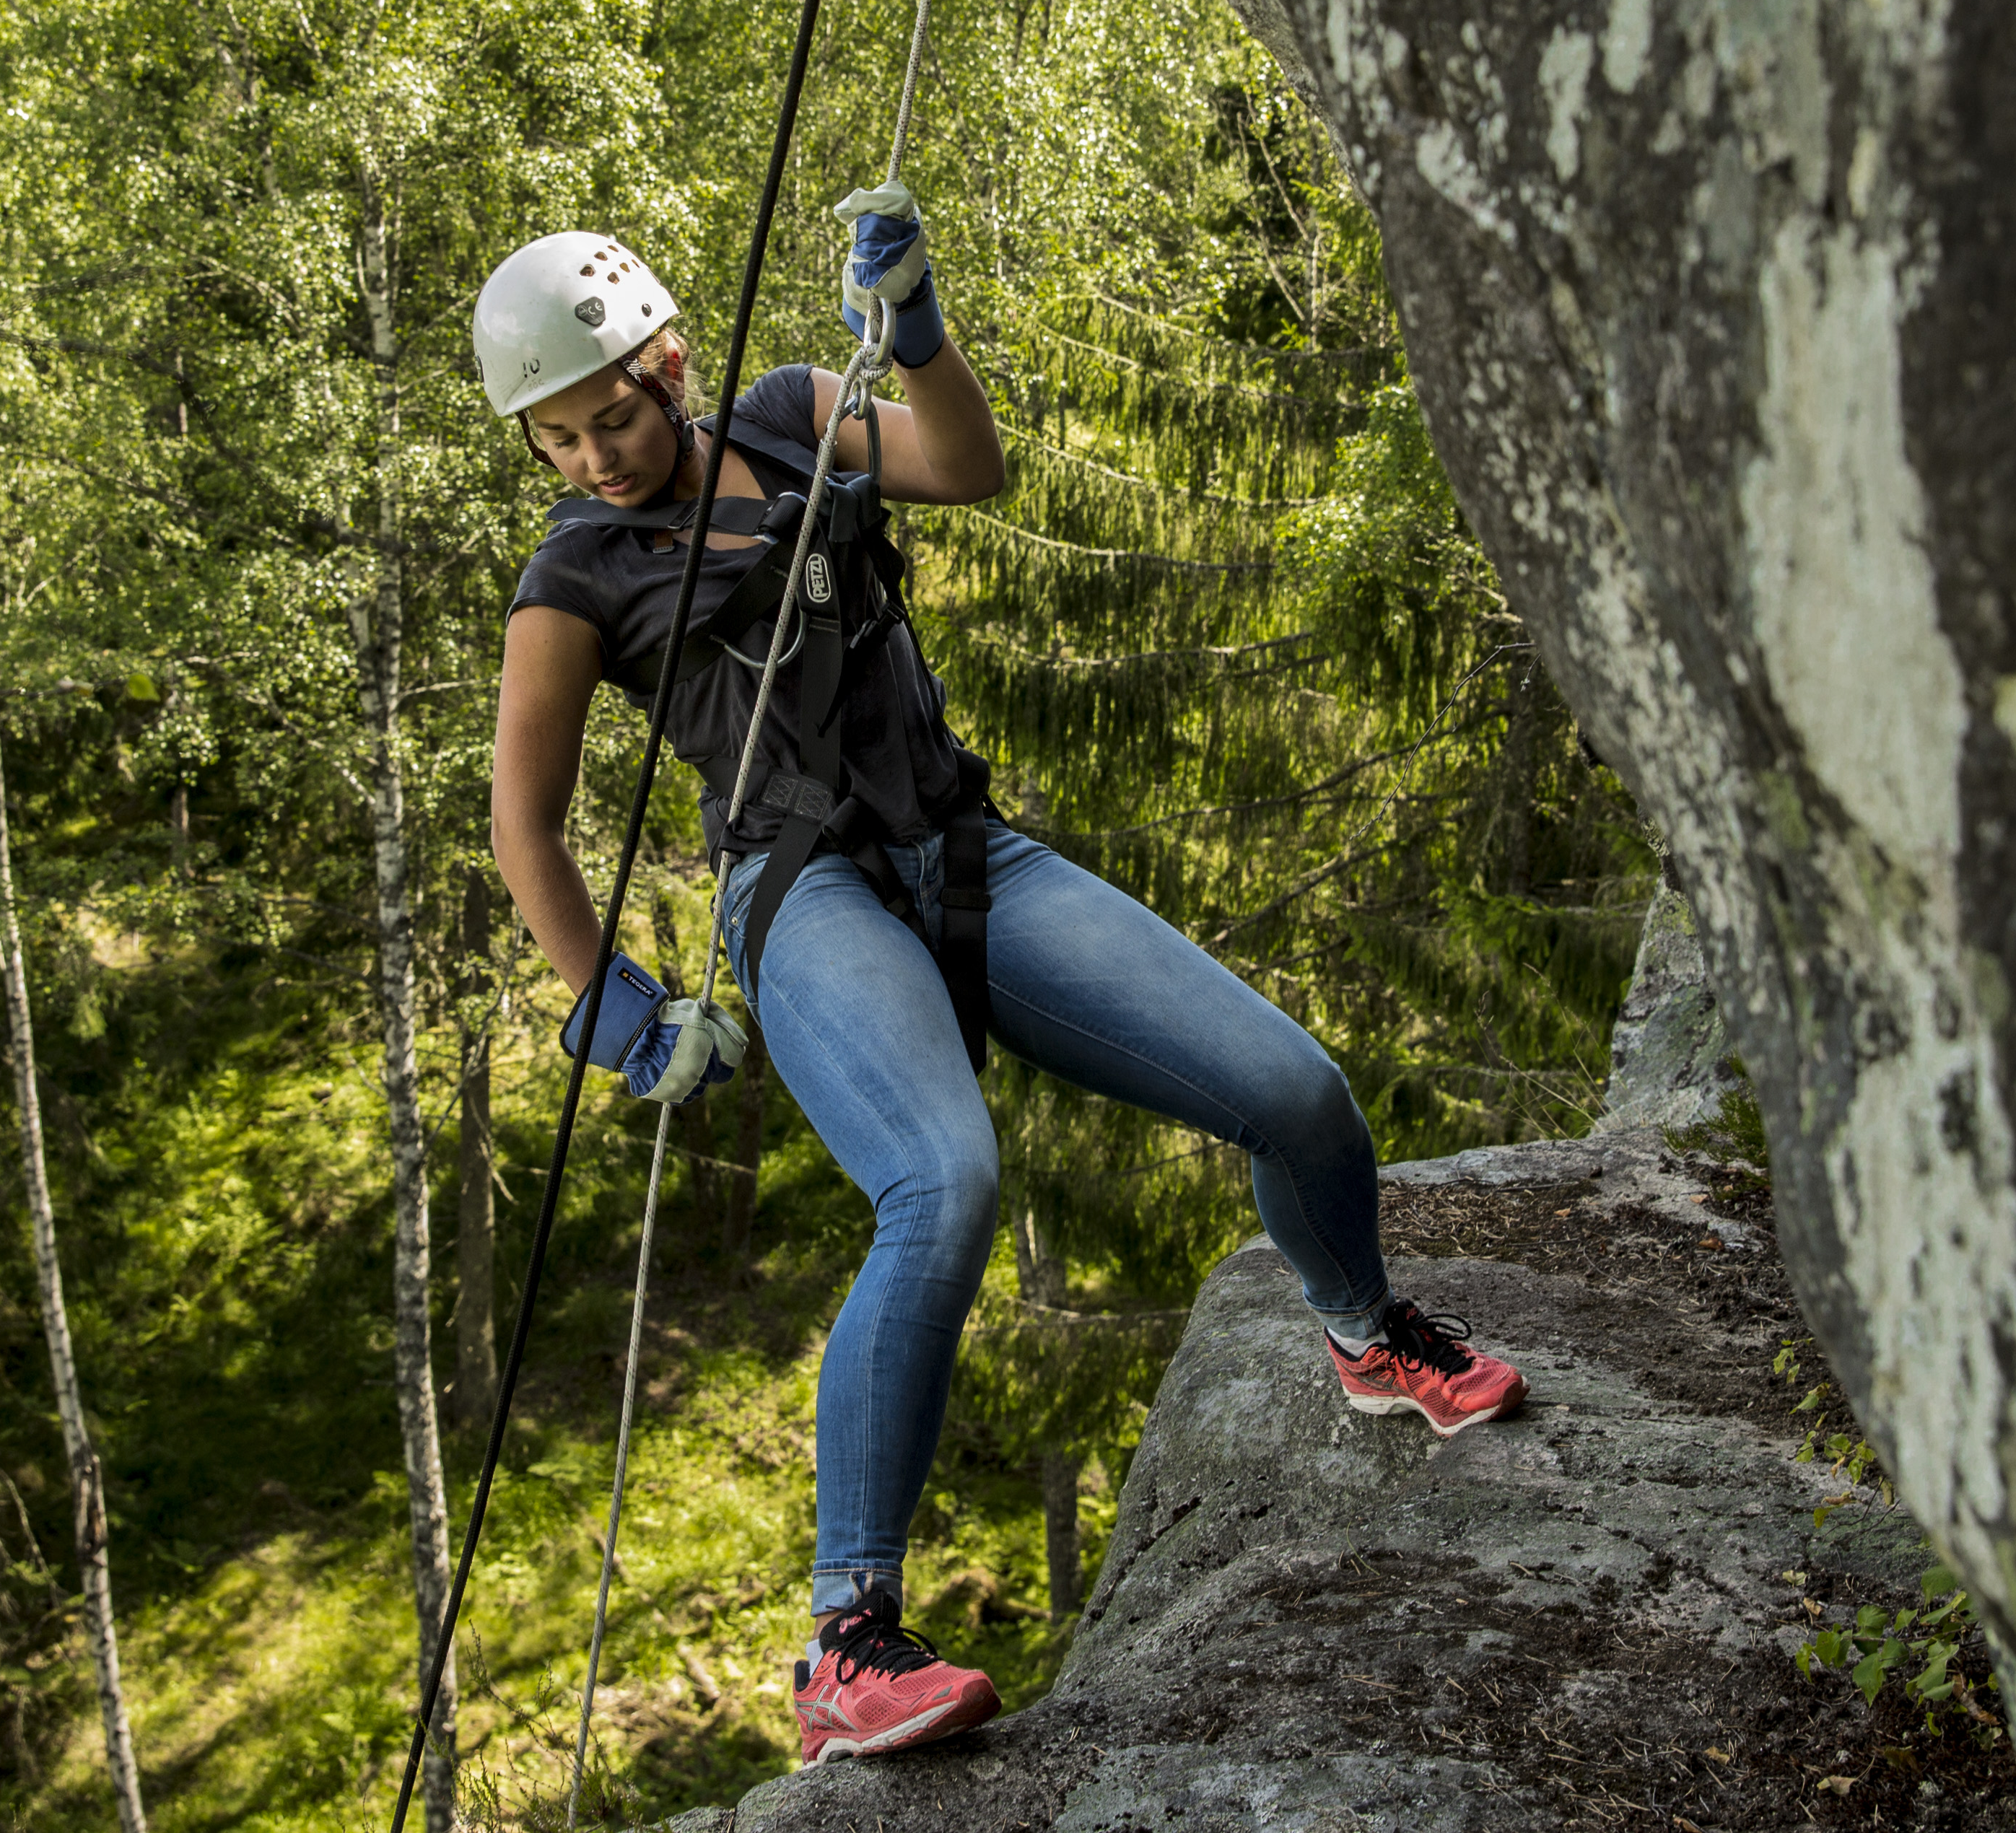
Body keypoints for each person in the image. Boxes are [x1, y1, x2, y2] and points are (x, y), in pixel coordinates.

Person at [476, 196, 1527, 1769]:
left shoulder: (787, 412)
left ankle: (1368, 1336)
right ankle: (848, 1639)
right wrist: (617, 1012)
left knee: (1293, 1091)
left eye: (607, 415)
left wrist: (914, 327)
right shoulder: (573, 580)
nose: (592, 458)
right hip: (799, 888)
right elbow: (525, 824)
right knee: (942, 1182)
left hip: (960, 850)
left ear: (666, 361)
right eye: (555, 440)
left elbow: (968, 466)